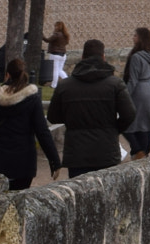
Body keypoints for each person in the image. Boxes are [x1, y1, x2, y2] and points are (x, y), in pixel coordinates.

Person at [0, 58, 62, 190]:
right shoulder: (32, 99)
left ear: (7, 75)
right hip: (23, 162)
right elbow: (42, 132)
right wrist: (54, 161)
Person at [49, 40, 135, 177]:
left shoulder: (65, 86)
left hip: (77, 152)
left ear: (82, 57)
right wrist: (114, 129)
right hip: (106, 150)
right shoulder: (115, 84)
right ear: (103, 57)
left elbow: (53, 116)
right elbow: (129, 114)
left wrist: (71, 118)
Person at [123, 29, 150, 158]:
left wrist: (125, 96)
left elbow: (133, 80)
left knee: (127, 122)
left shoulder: (136, 57)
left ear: (140, 38)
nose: (133, 38)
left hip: (138, 90)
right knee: (145, 122)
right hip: (149, 89)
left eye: (135, 36)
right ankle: (143, 150)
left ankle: (138, 150)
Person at [45, 21, 70, 86]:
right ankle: (68, 82)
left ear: (58, 27)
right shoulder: (65, 35)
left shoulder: (56, 34)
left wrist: (42, 36)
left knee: (55, 71)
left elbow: (48, 40)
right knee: (60, 70)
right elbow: (66, 43)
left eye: (55, 26)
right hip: (63, 55)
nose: (55, 27)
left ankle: (54, 85)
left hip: (55, 55)